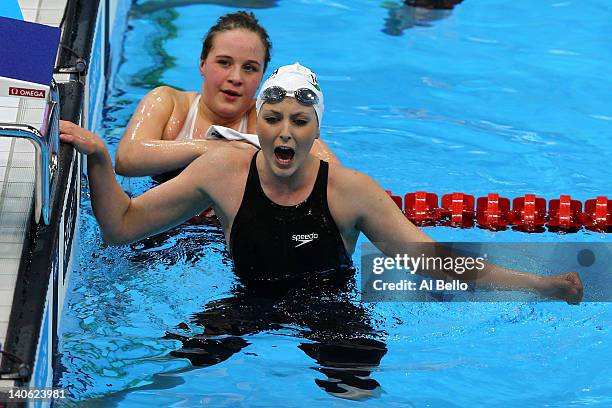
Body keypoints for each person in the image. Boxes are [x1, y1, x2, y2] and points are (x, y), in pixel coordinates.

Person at [60, 62, 583, 301]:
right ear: (256, 123)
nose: (284, 134)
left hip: (331, 311)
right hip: (245, 304)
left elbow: (435, 262)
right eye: (273, 120)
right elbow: (121, 229)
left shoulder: (351, 190)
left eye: (299, 123)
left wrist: (543, 285)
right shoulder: (220, 170)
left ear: (317, 132)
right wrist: (101, 159)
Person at [114, 11, 337, 179]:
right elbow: (127, 159)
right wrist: (216, 148)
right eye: (224, 63)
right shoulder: (169, 103)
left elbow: (336, 177)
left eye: (249, 68)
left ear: (261, 77)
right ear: (202, 63)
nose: (236, 77)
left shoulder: (268, 121)